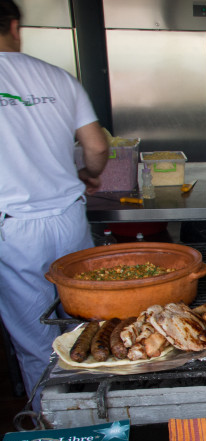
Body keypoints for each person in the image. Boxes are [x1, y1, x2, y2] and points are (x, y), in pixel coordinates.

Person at [0, 0, 108, 406]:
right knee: (86, 320)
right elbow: (97, 147)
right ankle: (101, 413)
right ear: (13, 25)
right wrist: (89, 174)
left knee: (36, 341)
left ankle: (57, 427)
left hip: (12, 227)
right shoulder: (56, 77)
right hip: (68, 217)